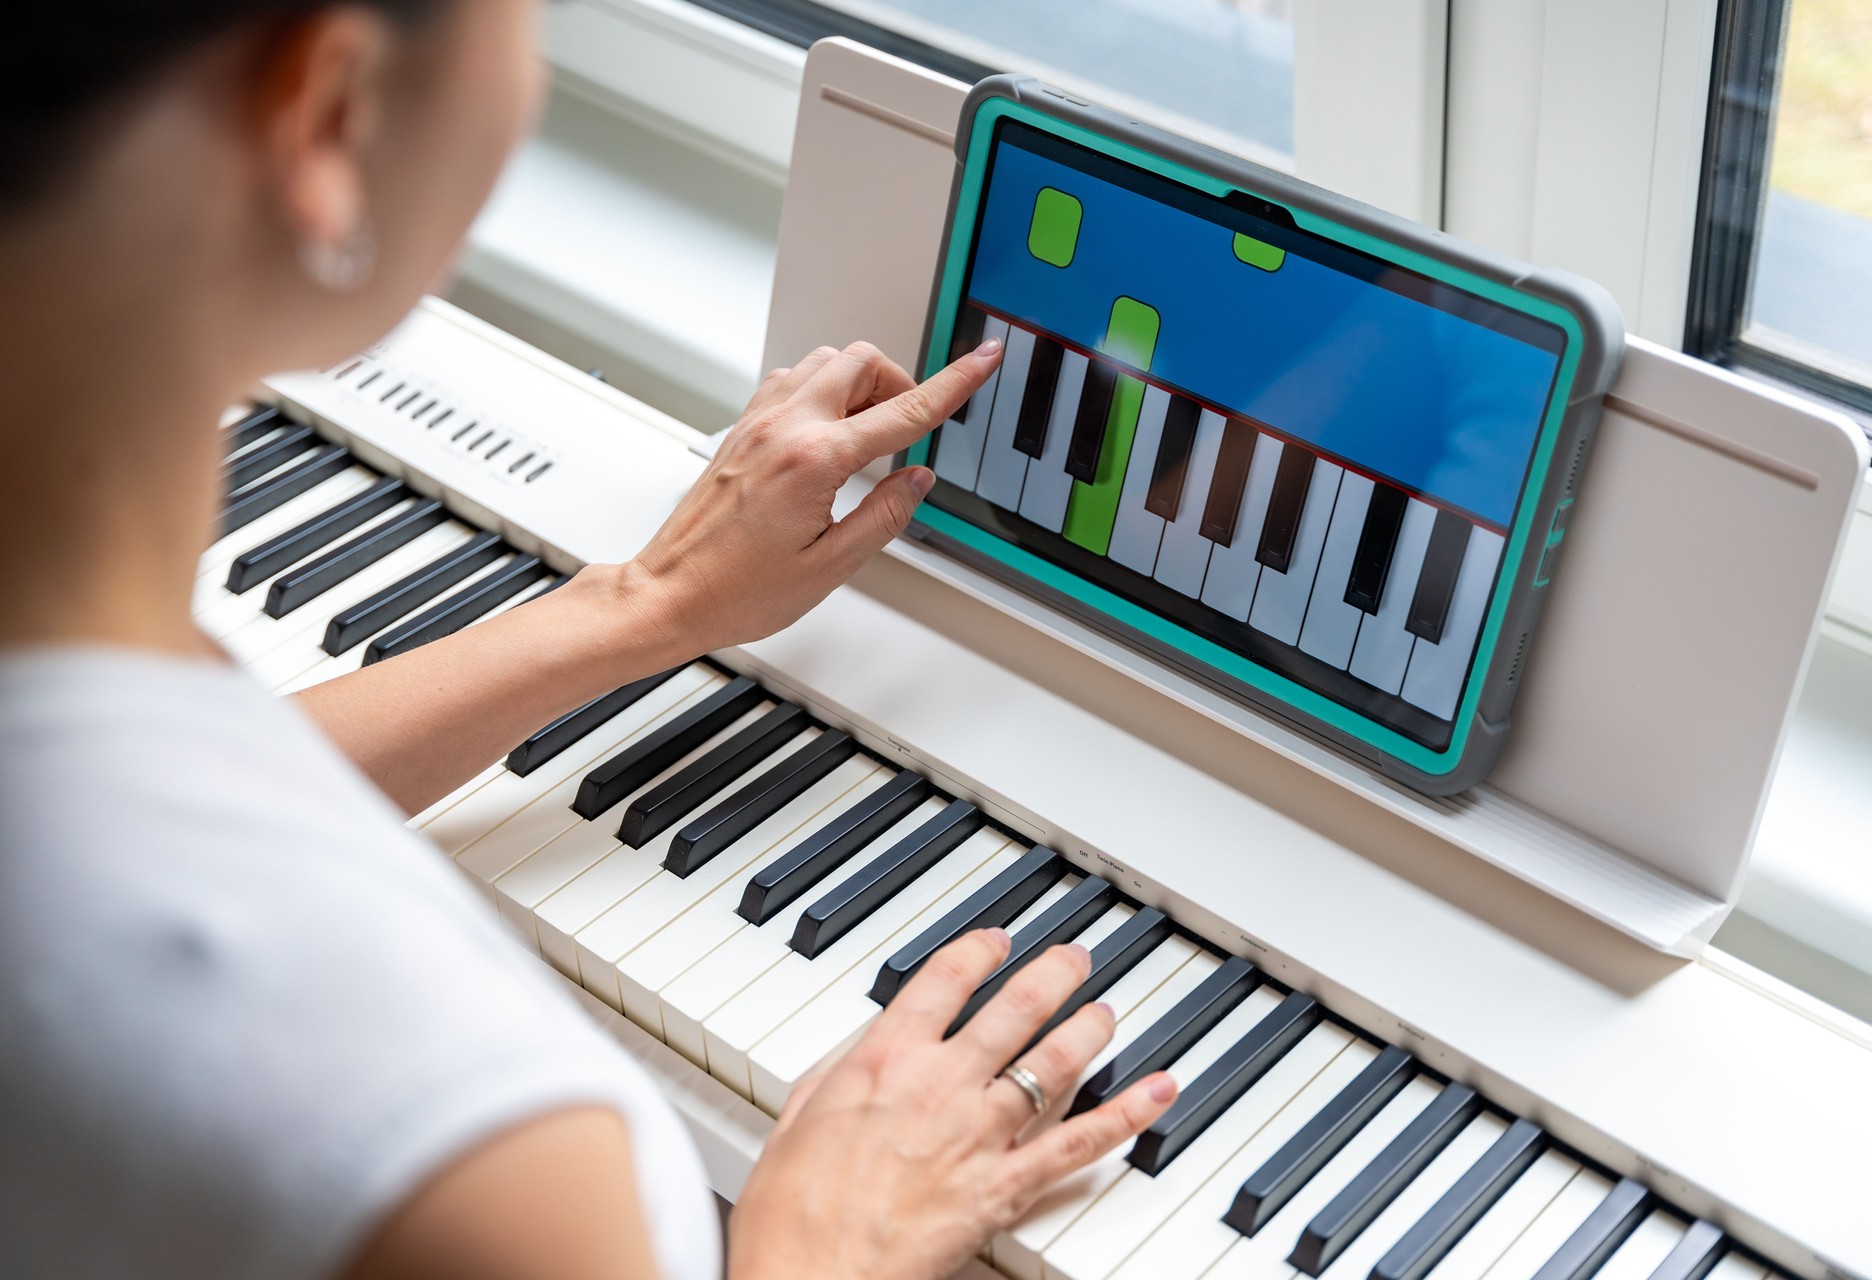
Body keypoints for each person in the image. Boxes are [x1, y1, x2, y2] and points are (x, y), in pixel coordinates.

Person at [0, 4, 1181, 1279]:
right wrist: (819, 1242)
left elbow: (138, 796)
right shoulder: (482, 1165)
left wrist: (648, 603)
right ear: (327, 111)